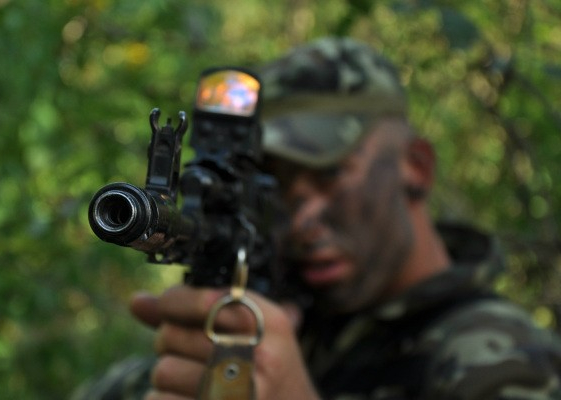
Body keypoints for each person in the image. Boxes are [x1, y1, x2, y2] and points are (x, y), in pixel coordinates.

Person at [72, 37, 561, 400]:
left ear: (416, 167)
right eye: (274, 185)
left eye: (328, 174)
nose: (301, 217)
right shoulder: (276, 332)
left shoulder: (504, 361)